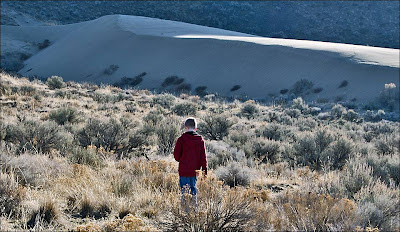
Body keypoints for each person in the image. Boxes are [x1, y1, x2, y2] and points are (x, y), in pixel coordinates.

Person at [173, 117, 207, 212]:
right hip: (195, 171)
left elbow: (176, 156)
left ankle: (184, 213)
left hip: (184, 171)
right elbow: (203, 158)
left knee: (184, 192)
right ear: (196, 128)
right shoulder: (200, 140)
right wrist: (205, 172)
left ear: (185, 127)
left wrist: (182, 160)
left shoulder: (181, 139)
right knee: (193, 191)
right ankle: (194, 212)